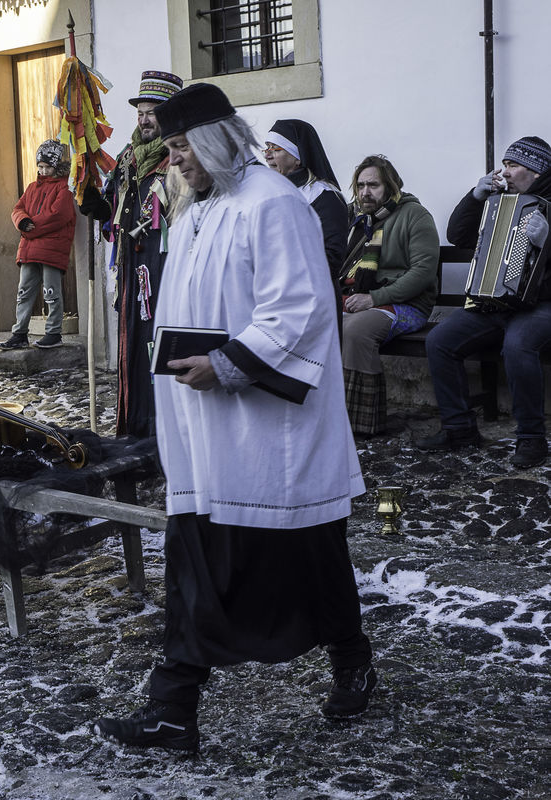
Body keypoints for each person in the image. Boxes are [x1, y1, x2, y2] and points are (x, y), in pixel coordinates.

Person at [94, 84, 374, 754]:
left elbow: (300, 310)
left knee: (309, 554)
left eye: (183, 146)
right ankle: (174, 707)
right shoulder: (202, 205)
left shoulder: (272, 204)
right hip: (204, 430)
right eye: (169, 148)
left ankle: (348, 661)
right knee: (198, 562)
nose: (175, 161)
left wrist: (228, 365)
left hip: (266, 434)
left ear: (217, 139)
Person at [417, 136, 551, 468]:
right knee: (440, 341)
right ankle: (459, 429)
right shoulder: (500, 202)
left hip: (542, 305)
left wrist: (548, 240)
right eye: (505, 163)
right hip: (499, 303)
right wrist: (476, 196)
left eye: (513, 165)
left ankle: (532, 439)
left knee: (518, 345)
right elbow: (458, 236)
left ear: (535, 172)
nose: (504, 171)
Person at [79, 69, 182, 437]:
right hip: (132, 267)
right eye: (140, 111)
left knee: (163, 340)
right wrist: (96, 205)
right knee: (134, 345)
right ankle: (136, 426)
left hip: (167, 266)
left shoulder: (181, 159)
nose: (143, 118)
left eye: (152, 111)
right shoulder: (127, 158)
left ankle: (167, 432)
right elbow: (114, 209)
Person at [339, 155, 439, 437]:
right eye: (360, 185)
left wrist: (374, 298)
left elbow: (423, 272)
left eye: (373, 185)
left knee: (356, 330)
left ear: (391, 186)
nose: (365, 192)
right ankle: (327, 413)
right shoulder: (353, 217)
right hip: (356, 298)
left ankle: (362, 422)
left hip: (406, 305)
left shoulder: (415, 215)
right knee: (318, 322)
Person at [0, 139, 76, 351]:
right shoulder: (32, 188)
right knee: (24, 292)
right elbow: (17, 209)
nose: (42, 171)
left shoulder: (64, 189)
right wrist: (23, 221)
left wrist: (32, 227)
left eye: (47, 167)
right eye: (40, 166)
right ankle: (19, 332)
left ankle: (53, 332)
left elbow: (58, 215)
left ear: (58, 167)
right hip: (30, 250)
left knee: (52, 292)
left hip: (51, 250)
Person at [263, 119, 348, 276]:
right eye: (267, 148)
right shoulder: (270, 194)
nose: (267, 155)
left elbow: (332, 257)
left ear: (298, 157)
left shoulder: (325, 197)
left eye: (275, 149)